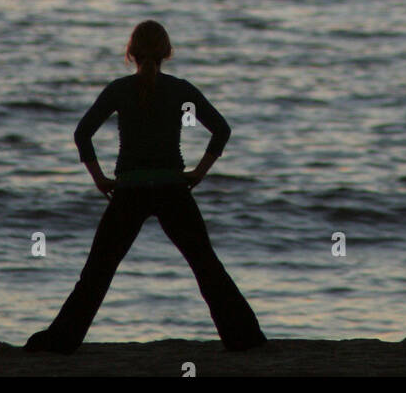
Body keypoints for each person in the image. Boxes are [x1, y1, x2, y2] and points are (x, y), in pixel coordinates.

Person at [25, 20, 266, 354]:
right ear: (166, 53)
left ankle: (60, 342)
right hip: (172, 190)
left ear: (131, 54)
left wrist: (99, 179)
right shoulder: (181, 90)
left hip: (130, 192)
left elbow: (83, 134)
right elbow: (221, 129)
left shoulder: (119, 89)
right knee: (206, 267)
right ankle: (246, 340)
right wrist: (199, 172)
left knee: (97, 272)